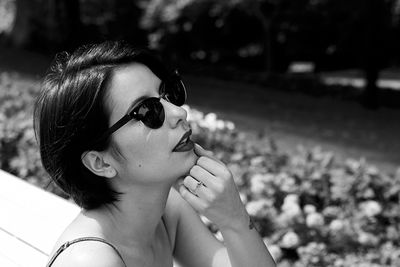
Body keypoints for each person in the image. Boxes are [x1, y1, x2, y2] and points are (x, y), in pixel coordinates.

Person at [34, 40, 276, 267]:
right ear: (100, 162)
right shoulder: (91, 261)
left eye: (168, 94)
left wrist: (235, 221)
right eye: (147, 111)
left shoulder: (167, 212)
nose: (179, 113)